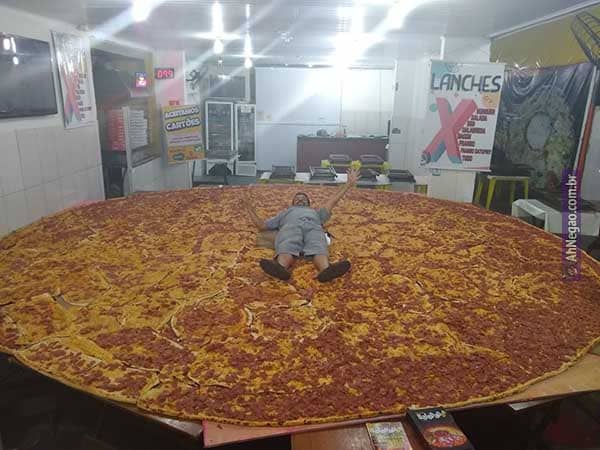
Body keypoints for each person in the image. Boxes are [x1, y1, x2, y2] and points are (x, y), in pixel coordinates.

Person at [243, 168, 360, 282]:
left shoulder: (316, 212)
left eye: (303, 199)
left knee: (318, 243)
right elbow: (262, 226)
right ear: (292, 204)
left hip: (313, 227)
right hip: (291, 227)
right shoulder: (285, 213)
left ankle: (326, 270)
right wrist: (249, 208)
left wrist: (348, 185)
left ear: (309, 204)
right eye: (297, 199)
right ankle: (280, 267)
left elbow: (332, 201)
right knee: (288, 241)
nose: (300, 200)